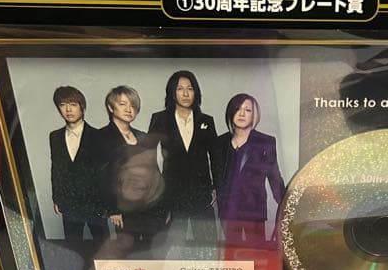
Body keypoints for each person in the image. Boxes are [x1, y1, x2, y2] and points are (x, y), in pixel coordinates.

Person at [148, 71, 217, 244]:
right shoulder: (160, 119)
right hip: (171, 193)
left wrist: (216, 187)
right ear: (172, 92)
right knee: (172, 245)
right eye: (180, 89)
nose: (185, 93)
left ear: (196, 92)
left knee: (207, 245)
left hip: (201, 193)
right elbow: (147, 155)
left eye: (190, 88)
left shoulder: (207, 121)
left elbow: (215, 157)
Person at [98, 85, 168, 247]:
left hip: (151, 207)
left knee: (154, 250)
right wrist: (113, 210)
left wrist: (162, 205)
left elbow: (154, 172)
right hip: (124, 208)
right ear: (111, 107)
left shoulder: (143, 136)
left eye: (133, 105)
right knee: (130, 250)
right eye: (123, 104)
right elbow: (102, 176)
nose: (129, 109)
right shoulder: (101, 136)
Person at [214, 93, 285, 247]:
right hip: (228, 211)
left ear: (254, 116)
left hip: (254, 210)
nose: (242, 114)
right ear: (230, 112)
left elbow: (274, 176)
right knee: (233, 253)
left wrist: (285, 202)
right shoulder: (219, 143)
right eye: (238, 109)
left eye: (248, 110)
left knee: (256, 254)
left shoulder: (265, 141)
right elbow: (217, 177)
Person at [49, 86, 108, 255]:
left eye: (73, 104)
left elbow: (105, 172)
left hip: (95, 202)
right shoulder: (55, 136)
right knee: (73, 248)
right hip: (69, 203)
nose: (68, 109)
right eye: (63, 105)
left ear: (82, 107)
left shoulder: (98, 135)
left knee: (103, 247)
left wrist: (107, 203)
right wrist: (57, 197)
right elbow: (56, 168)